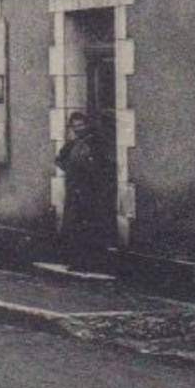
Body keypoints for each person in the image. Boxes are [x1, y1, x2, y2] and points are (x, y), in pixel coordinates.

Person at [56, 111, 117, 273]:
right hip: (74, 192)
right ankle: (76, 261)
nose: (78, 129)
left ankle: (92, 262)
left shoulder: (96, 143)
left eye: (81, 125)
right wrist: (69, 170)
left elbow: (106, 167)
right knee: (73, 227)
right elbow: (60, 159)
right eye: (75, 126)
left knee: (90, 227)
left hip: (91, 193)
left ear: (87, 125)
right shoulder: (72, 144)